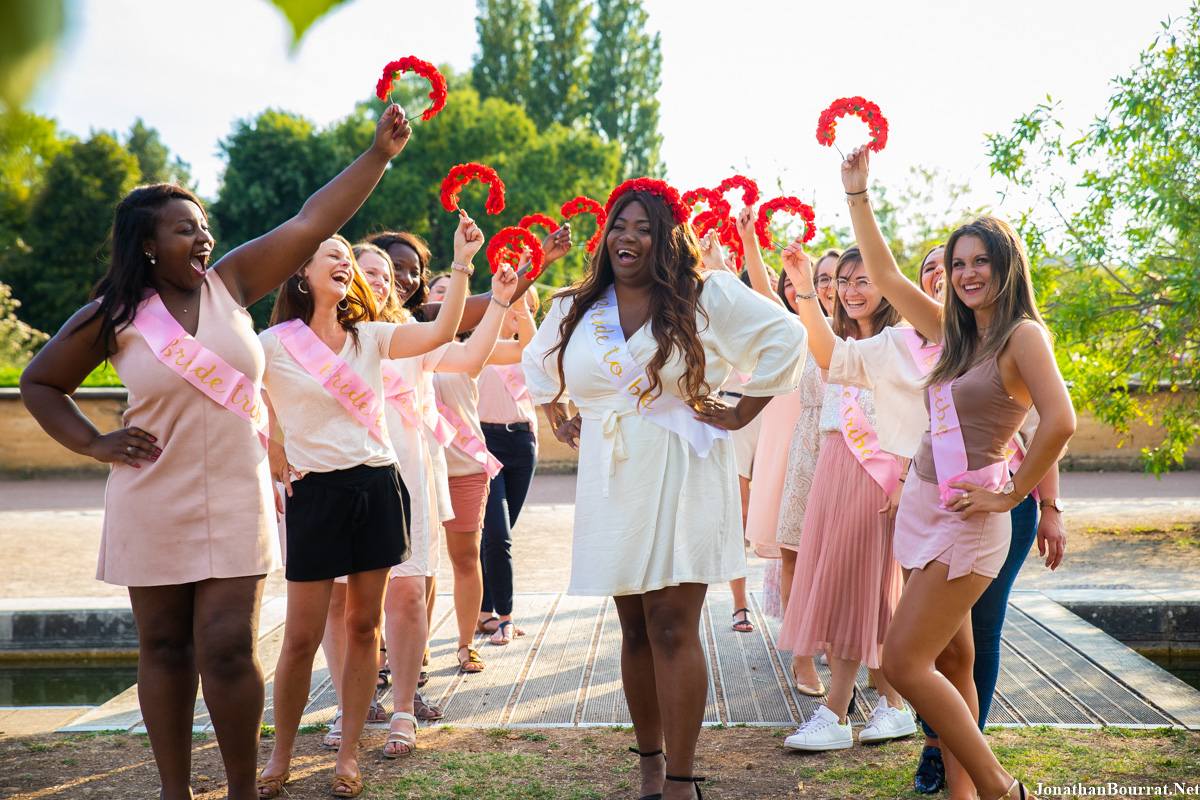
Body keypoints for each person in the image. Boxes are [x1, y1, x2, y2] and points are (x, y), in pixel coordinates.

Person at [19, 107, 412, 800]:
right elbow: (40, 383)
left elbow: (310, 221)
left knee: (229, 646)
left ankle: (240, 790)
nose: (203, 238)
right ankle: (175, 790)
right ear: (147, 244)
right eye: (185, 229)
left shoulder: (231, 283)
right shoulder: (115, 315)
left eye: (204, 227)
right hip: (151, 495)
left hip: (236, 494)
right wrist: (94, 442)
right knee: (165, 648)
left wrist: (377, 155)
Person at [523, 178, 806, 800]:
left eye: (644, 228)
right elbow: (537, 360)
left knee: (673, 625)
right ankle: (649, 768)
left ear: (668, 238)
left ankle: (681, 780)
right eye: (619, 226)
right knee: (633, 629)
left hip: (684, 468)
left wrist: (743, 411)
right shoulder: (577, 305)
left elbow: (788, 336)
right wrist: (556, 413)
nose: (628, 238)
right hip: (613, 475)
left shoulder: (704, 296)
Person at [838, 145, 1074, 800]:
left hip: (969, 519)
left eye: (980, 262)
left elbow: (1060, 421)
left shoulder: (1022, 336)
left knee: (903, 661)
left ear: (1006, 267)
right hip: (924, 506)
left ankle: (1000, 787)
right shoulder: (958, 332)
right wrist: (857, 192)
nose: (966, 274)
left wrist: (1014, 495)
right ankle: (964, 796)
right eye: (958, 263)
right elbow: (886, 277)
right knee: (953, 659)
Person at [255, 221, 504, 798]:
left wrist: (462, 262)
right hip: (315, 496)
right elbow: (245, 393)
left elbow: (443, 330)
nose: (344, 262)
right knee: (300, 636)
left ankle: (349, 754)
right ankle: (279, 755)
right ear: (301, 272)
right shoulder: (272, 345)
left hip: (377, 487)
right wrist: (272, 445)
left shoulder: (369, 335)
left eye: (348, 256)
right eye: (332, 255)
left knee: (364, 626)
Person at [775, 246, 916, 751]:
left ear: (886, 285)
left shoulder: (903, 341)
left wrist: (903, 478)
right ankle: (893, 707)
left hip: (876, 471)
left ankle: (836, 714)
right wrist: (803, 287)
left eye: (863, 281)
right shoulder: (841, 342)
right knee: (853, 587)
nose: (851, 291)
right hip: (833, 465)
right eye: (844, 281)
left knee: (856, 585)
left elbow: (916, 416)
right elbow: (820, 348)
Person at [477, 285, 542, 645]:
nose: (519, 309)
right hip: (484, 443)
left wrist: (522, 308)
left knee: (495, 536)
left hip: (522, 444)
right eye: (515, 302)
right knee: (497, 536)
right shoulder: (475, 345)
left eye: (527, 306)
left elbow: (542, 373)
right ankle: (505, 618)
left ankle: (483, 611)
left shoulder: (531, 354)